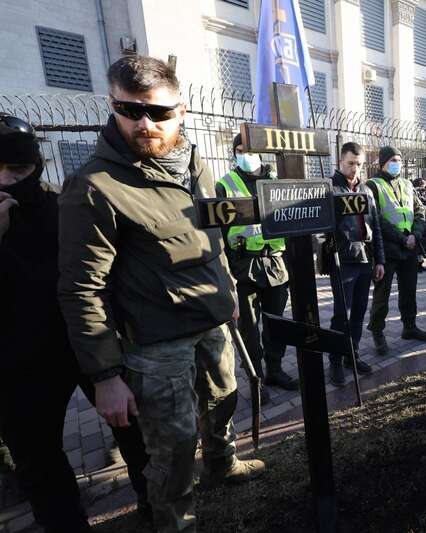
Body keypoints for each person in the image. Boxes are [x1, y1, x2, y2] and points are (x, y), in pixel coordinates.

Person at [57, 56, 264, 533]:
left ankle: (223, 464)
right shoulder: (93, 187)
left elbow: (215, 238)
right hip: (156, 342)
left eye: (158, 112)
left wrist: (227, 289)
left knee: (223, 399)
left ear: (183, 110)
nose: (144, 124)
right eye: (129, 111)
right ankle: (176, 521)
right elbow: (81, 288)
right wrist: (105, 375)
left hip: (212, 317)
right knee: (172, 444)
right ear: (113, 107)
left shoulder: (196, 163)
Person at [0, 113, 149, 532]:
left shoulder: (62, 208)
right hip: (18, 364)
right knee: (39, 461)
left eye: (18, 169)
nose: (6, 181)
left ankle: (157, 510)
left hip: (85, 344)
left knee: (134, 435)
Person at [215, 134, 299, 393]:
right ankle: (257, 379)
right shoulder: (225, 184)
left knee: (276, 322)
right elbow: (219, 234)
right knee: (249, 329)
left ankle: (275, 370)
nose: (245, 155)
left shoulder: (276, 182)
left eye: (249, 150)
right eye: (239, 150)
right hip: (244, 266)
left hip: (275, 264)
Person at [325, 142, 385, 386]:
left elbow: (377, 225)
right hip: (343, 260)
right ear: (341, 162)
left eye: (359, 165)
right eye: (351, 163)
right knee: (342, 314)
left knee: (359, 310)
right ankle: (335, 361)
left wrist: (380, 259)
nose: (355, 169)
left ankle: (353, 354)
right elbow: (323, 228)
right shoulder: (330, 188)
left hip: (365, 259)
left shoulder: (366, 190)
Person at [366, 146, 426, 355]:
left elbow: (421, 210)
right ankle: (378, 333)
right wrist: (403, 238)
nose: (397, 164)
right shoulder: (372, 185)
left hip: (410, 247)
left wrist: (415, 234)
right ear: (382, 163)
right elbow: (376, 219)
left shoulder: (406, 184)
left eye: (400, 160)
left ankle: (409, 327)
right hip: (387, 248)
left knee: (409, 290)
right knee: (381, 295)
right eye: (393, 160)